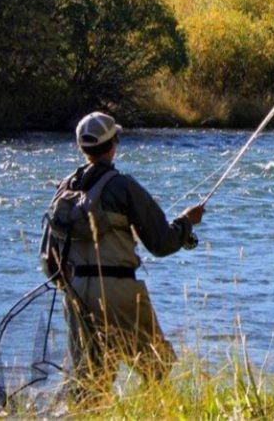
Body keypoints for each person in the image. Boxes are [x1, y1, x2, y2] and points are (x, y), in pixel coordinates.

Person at [52, 111, 204, 402]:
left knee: (88, 382)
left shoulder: (63, 189)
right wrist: (187, 222)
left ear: (81, 147)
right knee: (157, 366)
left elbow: (49, 258)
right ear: (113, 144)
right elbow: (161, 243)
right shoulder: (123, 186)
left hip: (74, 293)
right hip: (118, 291)